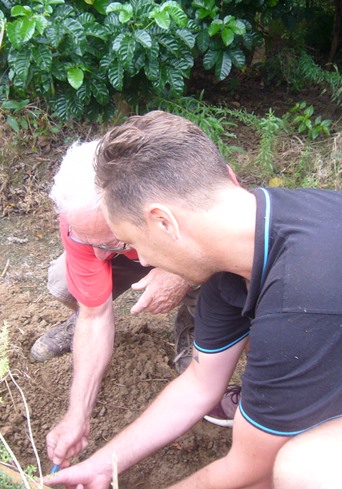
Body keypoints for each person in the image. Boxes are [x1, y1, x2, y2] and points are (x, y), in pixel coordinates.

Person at [47, 110, 342, 489]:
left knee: (309, 470)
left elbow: (251, 472)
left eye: (132, 242)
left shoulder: (308, 293)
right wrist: (104, 463)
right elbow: (200, 384)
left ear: (163, 222)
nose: (140, 259)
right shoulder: (248, 246)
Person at [38, 140, 239, 467]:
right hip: (139, 242)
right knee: (64, 281)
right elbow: (95, 316)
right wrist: (78, 415)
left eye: (108, 240)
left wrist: (177, 273)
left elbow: (230, 239)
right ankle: (79, 325)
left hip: (184, 240)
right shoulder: (80, 216)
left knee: (212, 277)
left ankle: (193, 322)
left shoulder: (196, 186)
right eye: (87, 240)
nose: (99, 256)